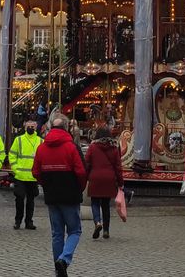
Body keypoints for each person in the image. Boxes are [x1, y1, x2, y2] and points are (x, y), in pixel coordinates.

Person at [35, 113, 86, 277]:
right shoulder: (71, 147)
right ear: (66, 127)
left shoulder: (42, 147)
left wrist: (46, 184)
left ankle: (59, 269)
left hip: (51, 195)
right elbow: (81, 171)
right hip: (70, 194)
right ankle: (64, 260)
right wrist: (80, 187)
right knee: (75, 231)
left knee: (57, 233)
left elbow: (35, 171)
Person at [84, 125, 123, 239]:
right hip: (109, 179)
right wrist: (120, 182)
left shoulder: (92, 147)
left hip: (95, 178)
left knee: (95, 202)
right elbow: (118, 167)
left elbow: (87, 163)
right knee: (106, 205)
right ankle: (106, 230)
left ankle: (97, 222)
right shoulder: (114, 148)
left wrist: (85, 178)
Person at [8, 119, 42, 230]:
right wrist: (16, 169)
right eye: (29, 126)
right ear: (25, 126)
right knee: (19, 199)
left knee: (31, 201)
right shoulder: (19, 140)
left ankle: (29, 222)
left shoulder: (41, 141)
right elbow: (12, 155)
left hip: (33, 177)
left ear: (36, 127)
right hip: (20, 176)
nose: (31, 128)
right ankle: (18, 221)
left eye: (33, 126)